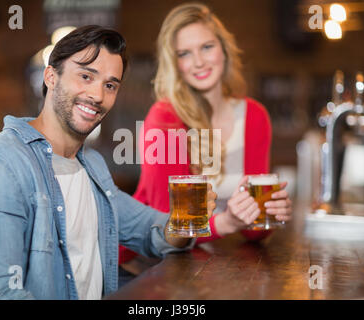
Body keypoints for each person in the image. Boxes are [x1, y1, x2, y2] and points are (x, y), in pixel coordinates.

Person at [0, 25, 217, 300]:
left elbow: (148, 232)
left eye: (110, 85)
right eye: (85, 76)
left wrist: (186, 219)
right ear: (50, 76)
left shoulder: (91, 164)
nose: (97, 96)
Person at [119, 3, 292, 280]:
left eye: (207, 47)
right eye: (184, 54)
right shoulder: (164, 118)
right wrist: (227, 222)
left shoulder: (254, 116)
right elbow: (168, 228)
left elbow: (254, 233)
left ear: (224, 49)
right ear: (175, 64)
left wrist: (268, 212)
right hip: (142, 263)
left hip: (213, 266)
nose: (198, 62)